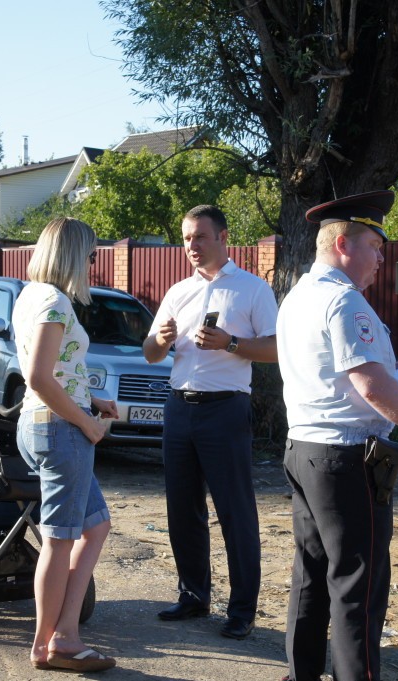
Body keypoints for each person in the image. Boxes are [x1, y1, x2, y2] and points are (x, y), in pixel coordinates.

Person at [276, 190, 398, 681]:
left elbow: (340, 372)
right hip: (344, 459)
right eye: (374, 246)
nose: (382, 259)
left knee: (311, 579)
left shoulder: (299, 296)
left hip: (305, 450)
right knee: (357, 590)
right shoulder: (345, 301)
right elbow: (369, 386)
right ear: (342, 244)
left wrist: (392, 369)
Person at [143, 204, 278, 640]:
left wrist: (231, 343)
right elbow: (150, 353)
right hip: (179, 406)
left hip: (225, 408)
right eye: (186, 238)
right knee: (182, 508)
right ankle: (193, 595)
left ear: (223, 237)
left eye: (200, 236)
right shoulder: (178, 291)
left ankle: (241, 611)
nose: (192, 246)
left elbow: (277, 348)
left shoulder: (252, 289)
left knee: (235, 511)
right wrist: (160, 340)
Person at [12, 217, 119, 673]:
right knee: (60, 539)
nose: (94, 264)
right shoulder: (55, 302)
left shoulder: (31, 295)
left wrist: (91, 400)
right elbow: (39, 377)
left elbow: (54, 371)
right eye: (91, 255)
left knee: (96, 526)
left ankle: (66, 633)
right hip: (60, 429)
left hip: (39, 424)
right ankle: (48, 645)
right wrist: (88, 423)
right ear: (74, 255)